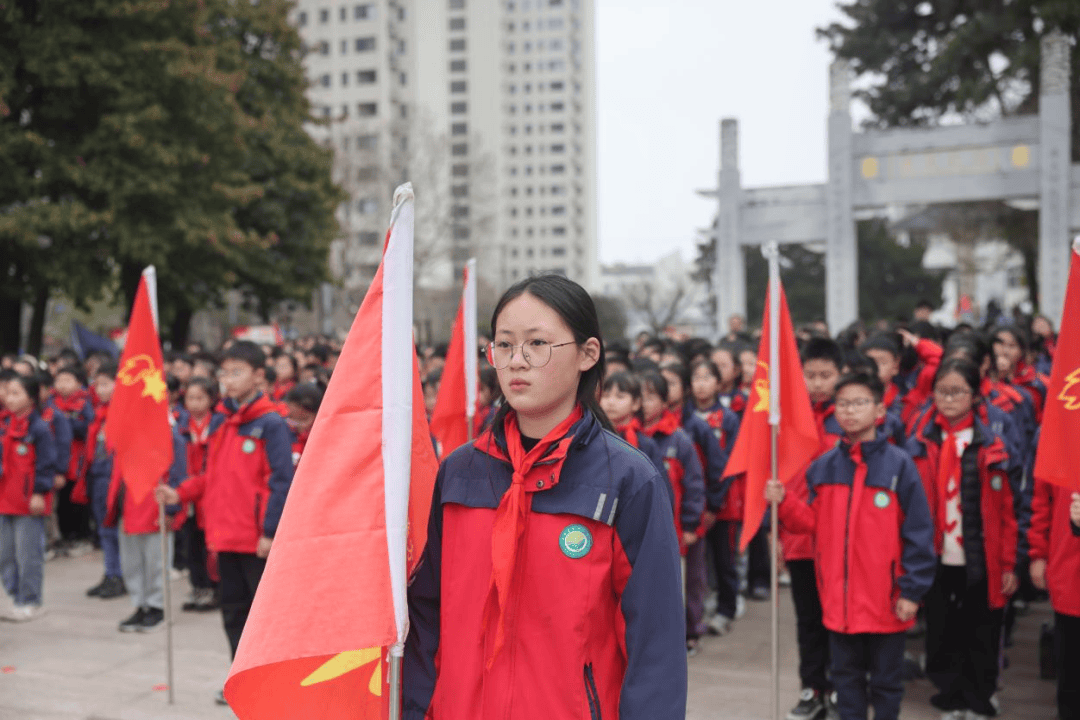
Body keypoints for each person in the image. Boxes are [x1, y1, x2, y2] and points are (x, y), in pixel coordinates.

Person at [403, 275, 686, 719]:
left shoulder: (629, 480)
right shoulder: (460, 473)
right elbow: (426, 616)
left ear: (587, 354)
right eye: (504, 345)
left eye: (537, 344)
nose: (517, 361)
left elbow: (655, 640)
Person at [766, 371, 935, 720]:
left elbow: (919, 533)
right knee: (846, 681)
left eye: (859, 402)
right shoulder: (825, 466)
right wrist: (782, 502)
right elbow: (813, 523)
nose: (850, 411)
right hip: (838, 601)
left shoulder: (899, 466)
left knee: (886, 684)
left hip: (886, 600)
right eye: (843, 403)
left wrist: (911, 591)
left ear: (879, 410)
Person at [156, 341, 295, 705]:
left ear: (259, 376)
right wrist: (180, 494)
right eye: (223, 372)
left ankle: (269, 682)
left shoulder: (271, 424)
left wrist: (269, 531)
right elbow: (209, 476)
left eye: (236, 372)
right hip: (224, 536)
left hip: (255, 540)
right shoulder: (223, 422)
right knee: (232, 613)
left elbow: (281, 481)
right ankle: (240, 678)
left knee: (262, 618)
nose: (227, 380)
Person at [907, 358, 1019, 719]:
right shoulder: (921, 442)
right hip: (937, 554)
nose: (949, 398)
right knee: (942, 630)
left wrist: (1007, 564)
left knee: (981, 630)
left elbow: (1006, 513)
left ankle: (979, 697)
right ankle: (951, 696)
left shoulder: (993, 444)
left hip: (979, 555)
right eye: (942, 391)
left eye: (958, 391)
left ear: (975, 395)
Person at [782, 337, 845, 720]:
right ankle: (811, 687)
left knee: (836, 617)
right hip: (800, 540)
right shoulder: (790, 418)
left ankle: (839, 686)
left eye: (826, 375)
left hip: (840, 541)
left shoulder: (849, 417)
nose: (819, 383)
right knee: (808, 619)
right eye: (811, 375)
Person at [638, 370, 707, 656]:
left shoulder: (678, 439)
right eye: (640, 396)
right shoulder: (630, 437)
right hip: (645, 531)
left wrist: (691, 523)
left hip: (679, 527)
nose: (645, 402)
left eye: (651, 396)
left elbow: (694, 483)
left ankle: (690, 631)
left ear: (665, 401)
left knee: (687, 583)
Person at [108, 425, 187, 633]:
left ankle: (158, 607)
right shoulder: (126, 436)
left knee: (156, 562)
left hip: (155, 508)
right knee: (132, 562)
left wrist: (171, 510)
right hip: (129, 506)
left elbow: (179, 474)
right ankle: (141, 604)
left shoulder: (170, 437)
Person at [0, 371, 58, 621]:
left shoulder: (40, 429)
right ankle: (16, 596)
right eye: (7, 393)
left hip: (28, 501)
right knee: (4, 555)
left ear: (31, 398)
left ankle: (31, 600)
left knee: (28, 555)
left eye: (16, 393)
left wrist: (39, 492)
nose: (9, 398)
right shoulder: (5, 425)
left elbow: (46, 464)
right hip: (5, 499)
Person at [1029, 447, 1080, 720]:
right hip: (1068, 571)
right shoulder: (1060, 444)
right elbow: (1040, 502)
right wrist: (1038, 553)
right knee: (1070, 668)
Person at [178, 377, 225, 612]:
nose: (194, 404)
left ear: (211, 399)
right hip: (189, 491)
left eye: (200, 398)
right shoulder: (181, 425)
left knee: (211, 545)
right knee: (191, 543)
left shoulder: (220, 424)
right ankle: (197, 587)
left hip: (211, 491)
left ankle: (215, 589)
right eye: (190, 398)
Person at [83, 363, 127, 600]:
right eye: (97, 384)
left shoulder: (124, 414)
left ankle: (120, 575)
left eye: (105, 384)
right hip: (98, 478)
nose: (99, 389)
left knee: (114, 529)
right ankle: (111, 572)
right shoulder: (99, 413)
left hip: (115, 480)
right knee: (104, 529)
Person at [51, 366, 95, 546]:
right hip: (59, 455)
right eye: (59, 380)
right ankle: (65, 533)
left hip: (78, 457)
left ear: (78, 383)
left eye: (67, 380)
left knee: (77, 495)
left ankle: (80, 533)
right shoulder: (52, 403)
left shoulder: (84, 403)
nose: (62, 385)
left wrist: (66, 421)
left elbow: (88, 427)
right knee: (61, 499)